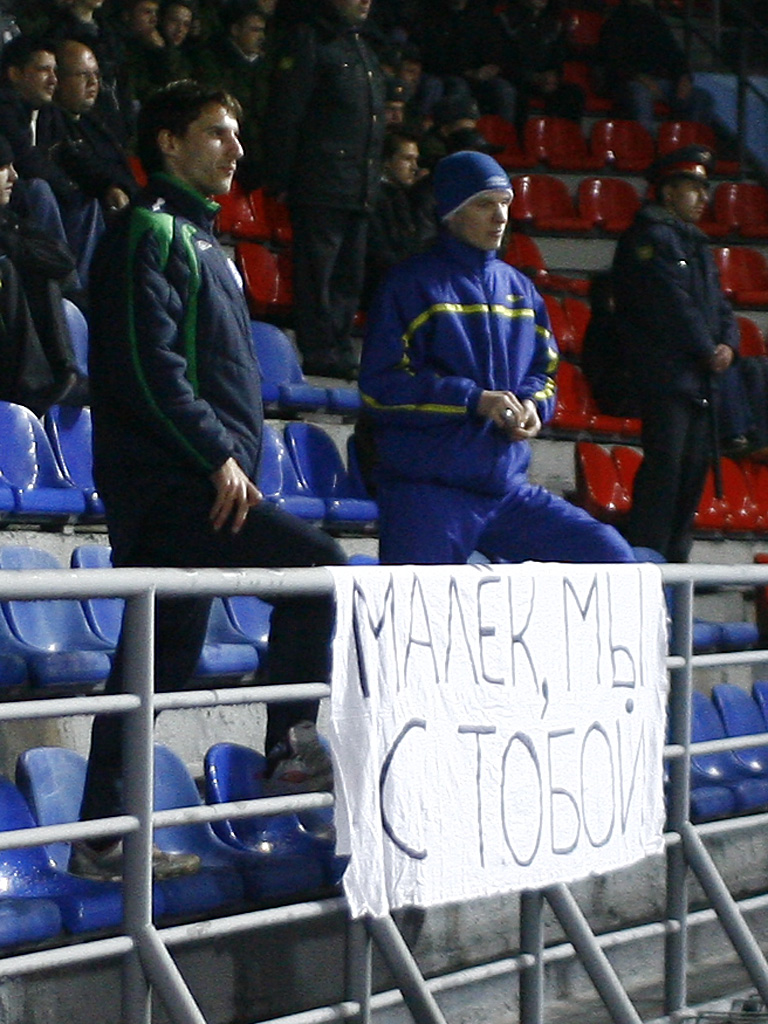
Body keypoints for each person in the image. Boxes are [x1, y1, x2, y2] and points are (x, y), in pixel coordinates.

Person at [71, 80, 347, 882]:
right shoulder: (146, 231)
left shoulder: (203, 242)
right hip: (176, 489)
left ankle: (99, 842)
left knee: (154, 671)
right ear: (168, 142)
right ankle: (288, 747)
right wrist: (215, 455)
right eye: (218, 132)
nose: (236, 149)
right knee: (320, 567)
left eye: (236, 134)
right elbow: (143, 365)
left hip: (199, 483)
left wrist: (226, 459)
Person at [359, 150, 634, 565]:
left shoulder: (521, 289)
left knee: (611, 557)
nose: (501, 216)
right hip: (426, 491)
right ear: (451, 213)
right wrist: (473, 400)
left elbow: (545, 372)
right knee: (422, 606)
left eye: (505, 202)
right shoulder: (409, 285)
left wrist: (533, 405)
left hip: (506, 491)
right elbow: (380, 388)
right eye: (484, 204)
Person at [612, 145, 739, 563]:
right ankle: (647, 559)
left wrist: (729, 343)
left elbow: (719, 304)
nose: (704, 197)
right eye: (694, 188)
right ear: (668, 192)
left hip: (699, 377)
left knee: (692, 473)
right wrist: (707, 348)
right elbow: (669, 304)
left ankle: (676, 563)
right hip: (665, 375)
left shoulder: (696, 243)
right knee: (665, 472)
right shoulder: (648, 239)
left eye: (705, 188)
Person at [263, 0, 385, 380]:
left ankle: (340, 346)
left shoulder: (361, 44)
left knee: (348, 274)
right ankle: (319, 349)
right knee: (320, 273)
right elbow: (287, 111)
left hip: (358, 183)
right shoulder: (310, 41)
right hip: (320, 180)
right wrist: (281, 176)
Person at [0, 132, 82, 413]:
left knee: (42, 269)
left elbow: (62, 260)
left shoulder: (8, 219)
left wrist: (11, 242)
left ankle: (64, 372)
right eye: (3, 167)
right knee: (10, 271)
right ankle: (37, 383)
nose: (14, 176)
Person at [596, 0, 711, 136]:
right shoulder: (616, 22)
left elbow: (675, 54)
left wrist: (684, 77)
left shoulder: (656, 21)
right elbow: (615, 62)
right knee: (641, 93)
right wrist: (642, 79)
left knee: (701, 97)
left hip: (661, 82)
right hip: (628, 82)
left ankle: (690, 140)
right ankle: (645, 140)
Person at [52, 40, 139, 216]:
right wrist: (109, 187)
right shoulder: (52, 124)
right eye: (82, 74)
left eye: (96, 74)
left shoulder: (96, 122)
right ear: (58, 79)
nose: (93, 82)